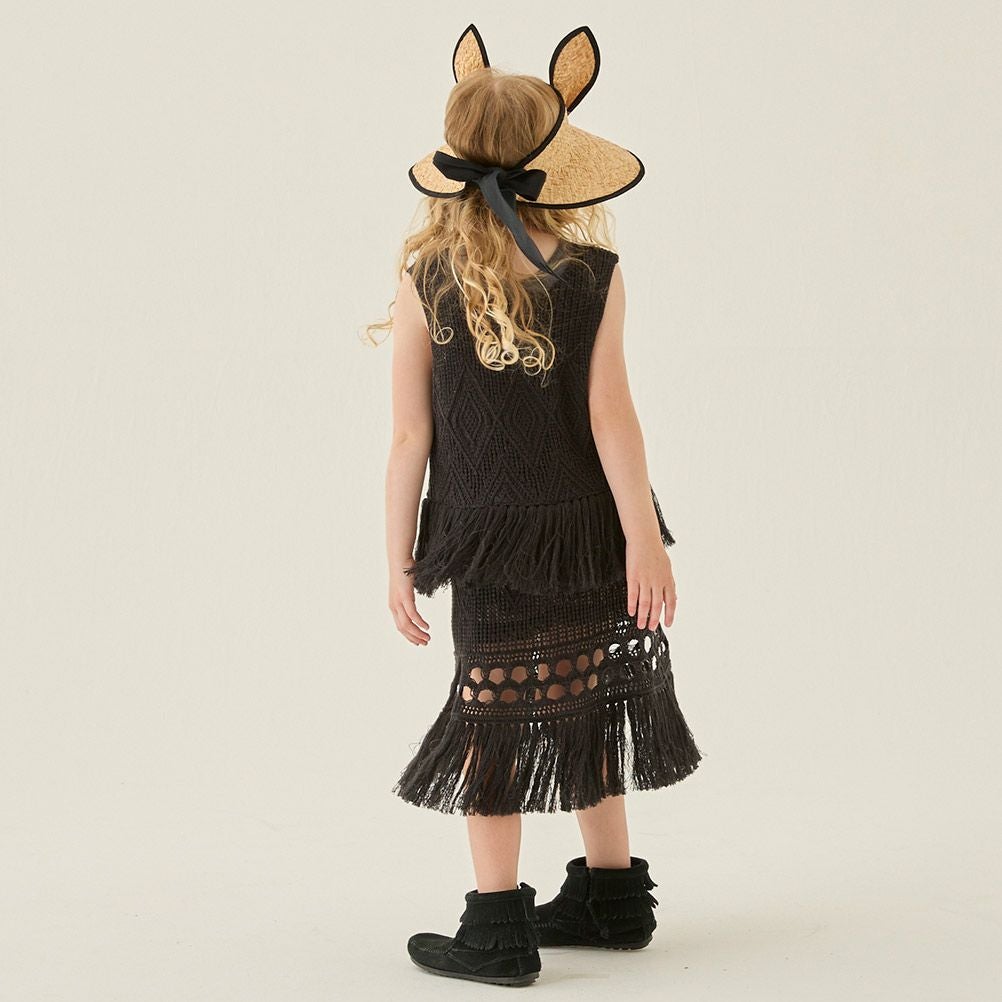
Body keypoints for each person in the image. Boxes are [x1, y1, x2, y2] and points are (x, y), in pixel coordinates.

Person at [368, 23, 705, 988]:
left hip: (488, 537)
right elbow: (613, 417)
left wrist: (396, 557)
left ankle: (497, 928)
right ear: (549, 158)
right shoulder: (591, 273)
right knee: (588, 694)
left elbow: (409, 436)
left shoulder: (427, 278)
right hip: (588, 530)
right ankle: (611, 897)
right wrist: (642, 540)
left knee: (494, 713)